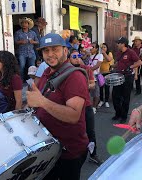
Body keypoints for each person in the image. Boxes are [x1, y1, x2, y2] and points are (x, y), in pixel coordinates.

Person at [27, 33, 89, 180]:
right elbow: (38, 99)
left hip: (68, 152)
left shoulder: (74, 77)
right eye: (46, 51)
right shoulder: (47, 72)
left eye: (55, 49)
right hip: (49, 149)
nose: (50, 54)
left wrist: (41, 102)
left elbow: (74, 115)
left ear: (65, 51)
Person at [68, 48, 102, 165]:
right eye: (74, 57)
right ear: (69, 59)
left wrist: (79, 85)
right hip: (71, 107)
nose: (77, 58)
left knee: (90, 132)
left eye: (78, 56)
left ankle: (93, 154)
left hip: (86, 105)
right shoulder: (66, 71)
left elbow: (93, 84)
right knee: (74, 132)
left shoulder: (86, 69)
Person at [112, 37, 142, 123]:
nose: (117, 45)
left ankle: (124, 116)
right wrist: (112, 66)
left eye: (119, 43)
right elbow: (118, 63)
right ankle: (118, 114)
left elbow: (139, 62)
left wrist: (130, 67)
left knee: (125, 97)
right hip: (119, 76)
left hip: (128, 77)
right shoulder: (118, 53)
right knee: (115, 96)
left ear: (123, 44)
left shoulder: (131, 52)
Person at [98, 43, 114, 108]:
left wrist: (104, 53)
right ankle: (101, 100)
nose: (103, 48)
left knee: (107, 87)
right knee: (101, 88)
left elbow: (109, 59)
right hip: (100, 73)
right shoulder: (99, 55)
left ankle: (106, 101)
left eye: (105, 47)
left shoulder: (109, 53)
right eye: (102, 47)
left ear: (107, 48)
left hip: (107, 72)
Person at [89, 42, 103, 113]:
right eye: (91, 46)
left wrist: (88, 70)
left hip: (96, 76)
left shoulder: (100, 55)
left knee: (96, 93)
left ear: (97, 49)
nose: (91, 48)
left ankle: (94, 108)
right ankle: (91, 106)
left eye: (93, 47)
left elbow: (97, 65)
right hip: (89, 76)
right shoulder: (90, 56)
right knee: (90, 93)